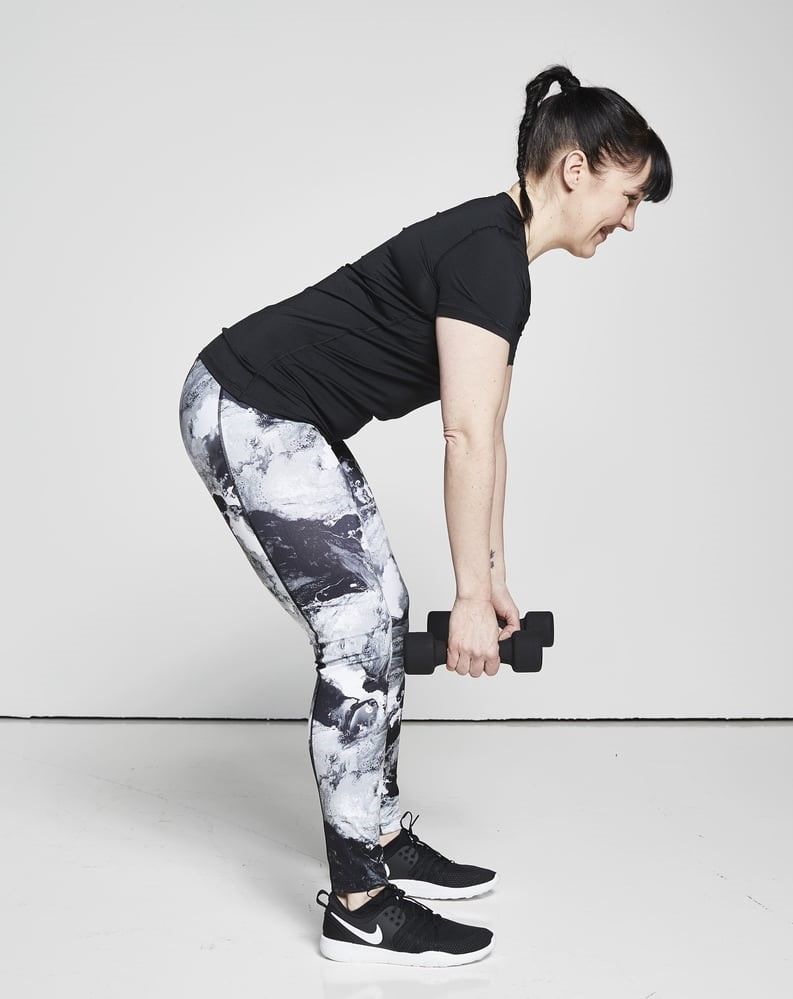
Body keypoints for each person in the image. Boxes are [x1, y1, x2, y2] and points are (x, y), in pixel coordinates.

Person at [178, 62, 672, 967]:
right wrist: (469, 598)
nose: (630, 220)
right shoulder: (488, 256)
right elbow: (464, 435)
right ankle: (360, 904)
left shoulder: (498, 257)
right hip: (248, 407)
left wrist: (492, 576)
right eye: (629, 197)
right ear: (577, 169)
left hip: (284, 416)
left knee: (382, 611)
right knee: (358, 624)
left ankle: (378, 833)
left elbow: (492, 430)